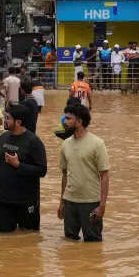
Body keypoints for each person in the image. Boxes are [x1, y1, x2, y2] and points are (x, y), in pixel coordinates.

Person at [0, 104, 48, 233]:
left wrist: (19, 165)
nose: (4, 119)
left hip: (26, 200)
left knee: (29, 239)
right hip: (3, 200)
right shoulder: (3, 138)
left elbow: (42, 170)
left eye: (8, 117)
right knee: (4, 240)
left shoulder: (34, 142)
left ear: (18, 122)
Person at [58, 104, 110, 242]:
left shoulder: (97, 144)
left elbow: (104, 176)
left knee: (93, 244)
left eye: (68, 119)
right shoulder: (65, 144)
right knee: (69, 242)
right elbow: (64, 175)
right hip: (70, 201)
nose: (64, 121)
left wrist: (102, 206)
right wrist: (62, 203)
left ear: (79, 122)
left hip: (90, 202)